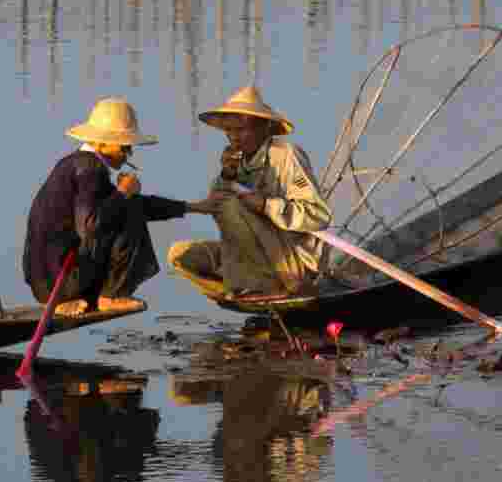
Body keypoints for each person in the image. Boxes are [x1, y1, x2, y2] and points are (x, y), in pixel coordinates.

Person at [22, 98, 193, 317]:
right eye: (124, 147)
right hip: (61, 283)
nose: (128, 154)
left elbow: (129, 208)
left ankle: (76, 296)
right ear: (100, 144)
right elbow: (91, 224)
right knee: (127, 210)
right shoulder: (90, 168)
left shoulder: (77, 164)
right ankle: (112, 295)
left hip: (46, 286)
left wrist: (190, 207)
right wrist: (122, 193)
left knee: (127, 206)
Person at [167, 86, 330, 301]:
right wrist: (227, 175)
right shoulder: (238, 159)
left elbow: (318, 216)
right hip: (252, 259)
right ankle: (241, 288)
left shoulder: (285, 155)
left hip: (292, 262)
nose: (233, 137)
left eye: (241, 129)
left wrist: (265, 205)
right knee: (180, 255)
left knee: (231, 204)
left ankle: (274, 287)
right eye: (229, 130)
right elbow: (216, 205)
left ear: (265, 127)